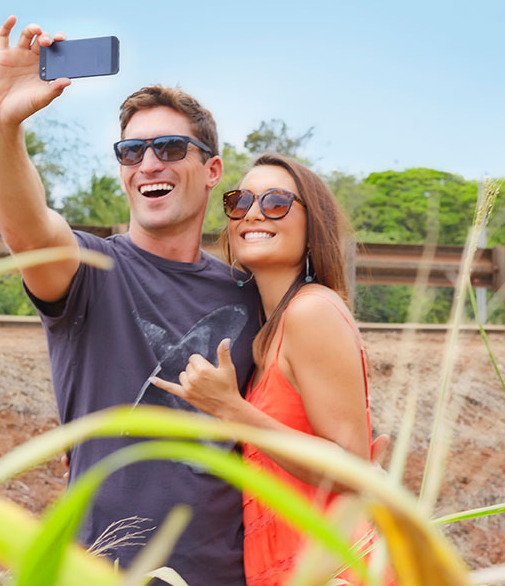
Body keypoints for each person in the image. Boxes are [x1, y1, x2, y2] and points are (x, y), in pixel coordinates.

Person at [0, 16, 261, 584]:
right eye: (131, 151)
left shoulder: (252, 293)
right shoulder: (89, 270)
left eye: (169, 146)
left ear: (211, 171)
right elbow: (29, 230)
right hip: (99, 569)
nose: (148, 163)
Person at [152, 154, 373, 586]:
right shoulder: (268, 330)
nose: (253, 212)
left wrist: (232, 409)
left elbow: (353, 472)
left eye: (276, 202)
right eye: (239, 201)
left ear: (313, 226)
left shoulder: (311, 311)